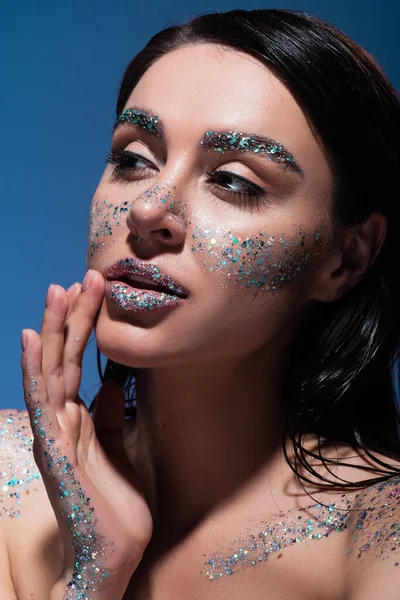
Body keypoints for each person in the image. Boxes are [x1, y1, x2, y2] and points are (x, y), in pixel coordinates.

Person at [1, 8, 399, 599]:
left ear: (346, 260)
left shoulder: (381, 535)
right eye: (134, 159)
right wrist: (90, 577)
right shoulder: (10, 477)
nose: (147, 209)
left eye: (234, 180)